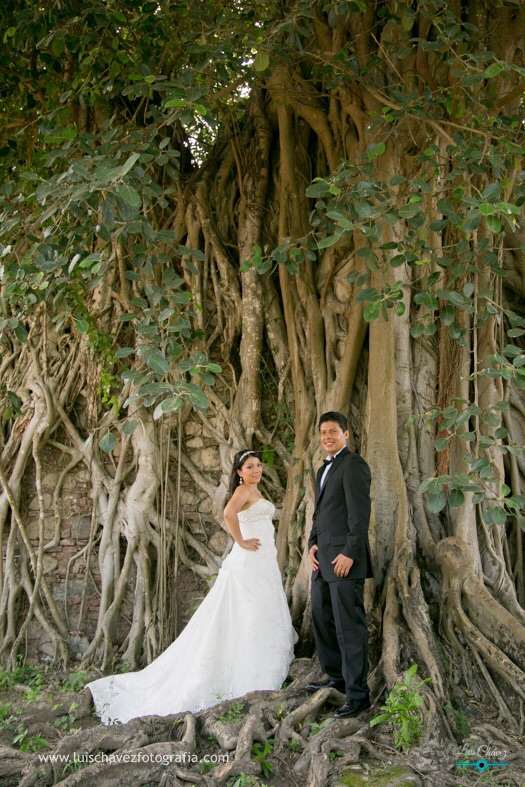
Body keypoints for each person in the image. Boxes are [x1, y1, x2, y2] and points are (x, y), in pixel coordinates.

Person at [86, 450, 295, 724]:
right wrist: (241, 542)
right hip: (248, 561)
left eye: (258, 465)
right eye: (249, 467)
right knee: (249, 611)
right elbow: (228, 514)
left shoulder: (255, 491)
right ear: (239, 473)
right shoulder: (243, 491)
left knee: (258, 611)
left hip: (263, 563)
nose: (256, 470)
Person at [306, 411, 373, 718]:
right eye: (323, 432)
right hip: (322, 559)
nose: (327, 437)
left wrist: (350, 552)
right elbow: (320, 513)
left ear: (346, 434)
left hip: (345, 559)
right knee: (321, 618)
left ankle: (359, 695)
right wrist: (311, 543)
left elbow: (359, 515)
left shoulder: (353, 465)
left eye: (333, 431)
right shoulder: (323, 468)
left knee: (349, 627)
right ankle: (337, 678)